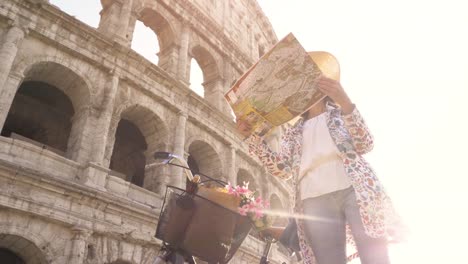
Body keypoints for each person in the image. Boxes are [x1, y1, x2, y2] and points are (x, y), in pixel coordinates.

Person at [237, 76, 405, 264]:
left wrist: (345, 102)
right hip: (314, 200)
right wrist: (251, 137)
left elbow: (365, 144)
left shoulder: (341, 114)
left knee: (375, 256)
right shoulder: (293, 131)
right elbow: (282, 169)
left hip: (355, 191)